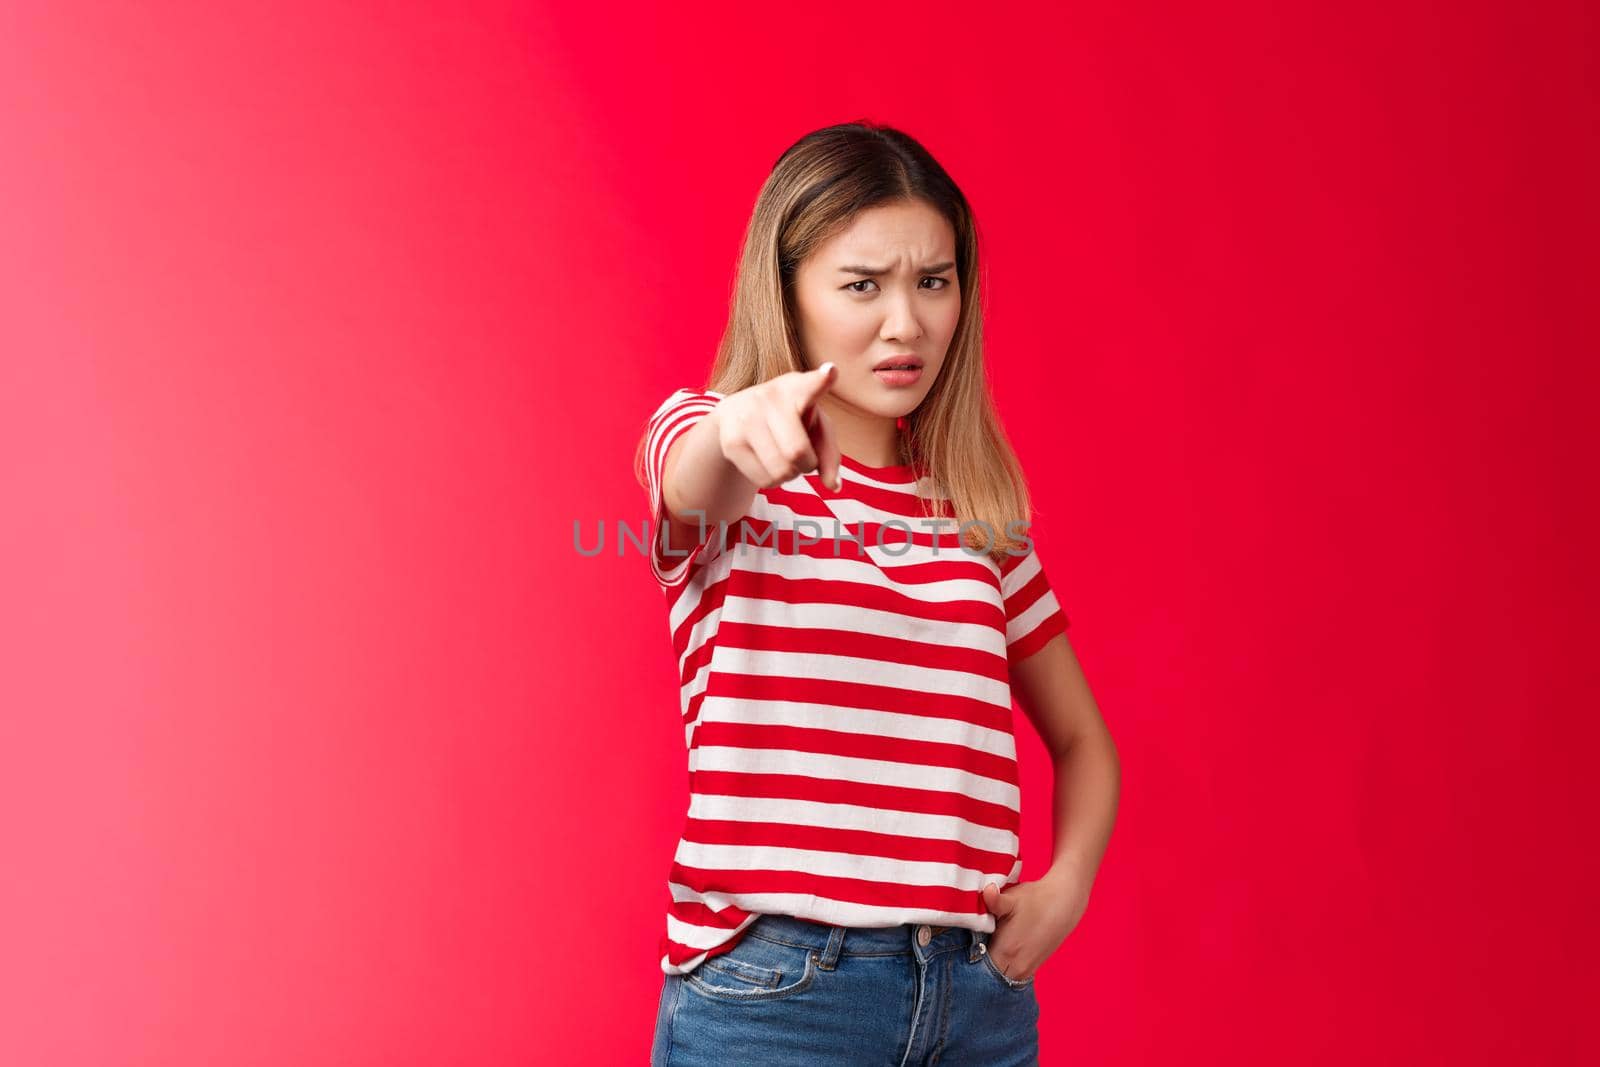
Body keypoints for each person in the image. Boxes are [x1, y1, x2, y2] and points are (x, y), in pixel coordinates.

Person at [635, 121, 1120, 1066]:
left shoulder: (979, 514)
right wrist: (743, 430)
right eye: (862, 285)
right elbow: (693, 473)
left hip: (975, 1004)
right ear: (789, 295)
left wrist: (1067, 888)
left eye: (932, 281)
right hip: (776, 997)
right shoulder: (714, 446)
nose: (907, 323)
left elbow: (1083, 741)